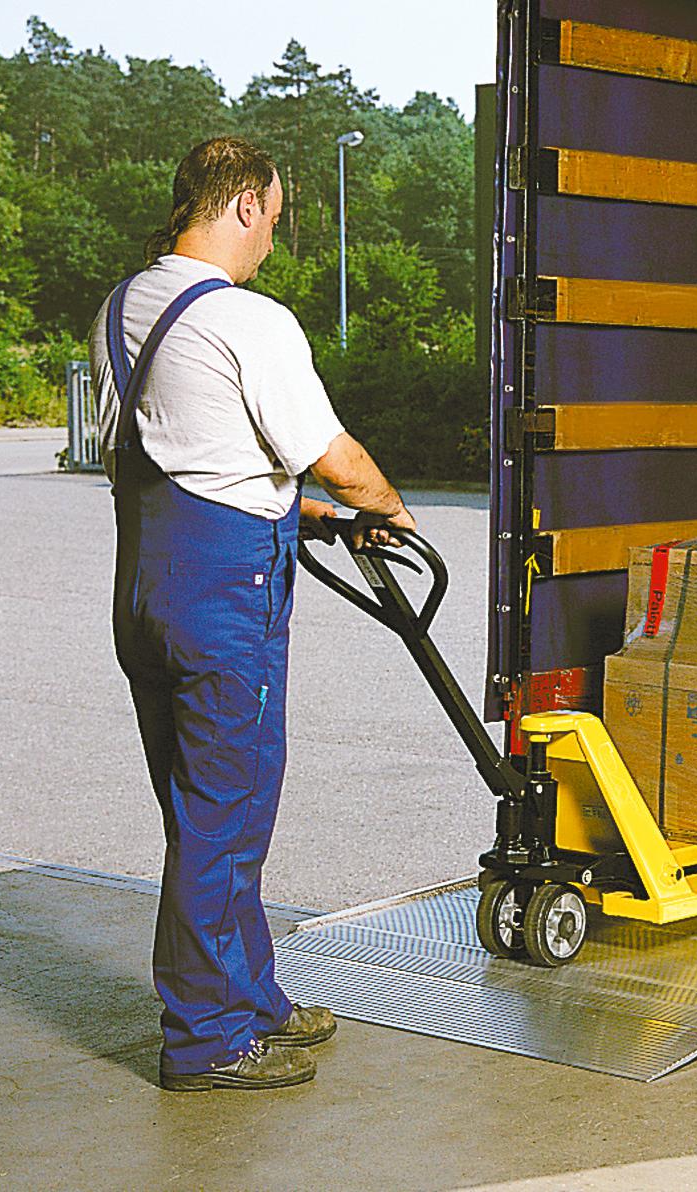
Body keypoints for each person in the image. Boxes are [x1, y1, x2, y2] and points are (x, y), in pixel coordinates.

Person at [88, 136, 415, 1092]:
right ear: (240, 207)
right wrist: (387, 509)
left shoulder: (123, 307)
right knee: (223, 819)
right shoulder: (251, 321)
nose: (274, 235)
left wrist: (299, 515)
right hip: (223, 602)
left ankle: (249, 996)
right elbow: (331, 451)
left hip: (147, 587)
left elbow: (184, 450)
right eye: (273, 215)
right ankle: (207, 1042)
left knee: (206, 814)